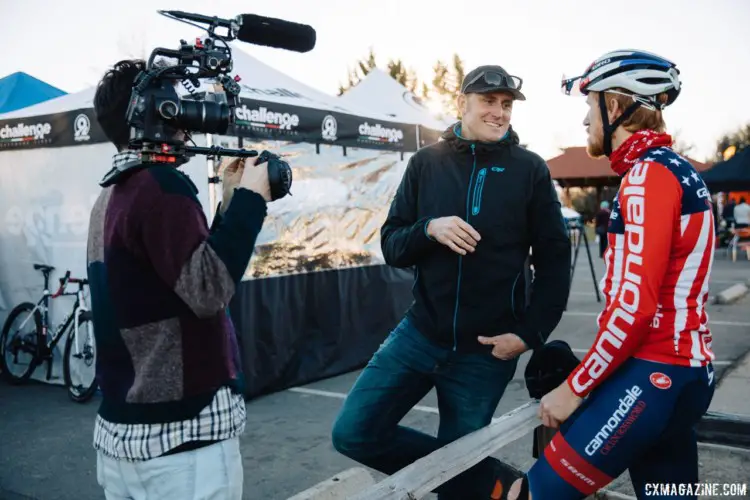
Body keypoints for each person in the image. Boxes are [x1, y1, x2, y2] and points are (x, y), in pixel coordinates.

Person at [331, 64, 572, 499]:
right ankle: (492, 478)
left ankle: (469, 476)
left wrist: (527, 333)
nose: (499, 112)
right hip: (420, 333)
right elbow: (392, 243)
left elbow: (555, 260)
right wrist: (429, 229)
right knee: (353, 433)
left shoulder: (529, 169)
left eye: (506, 105)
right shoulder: (427, 163)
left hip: (486, 350)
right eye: (489, 102)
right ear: (462, 103)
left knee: (455, 480)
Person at [509, 49, 717, 500]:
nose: (586, 120)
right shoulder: (681, 171)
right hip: (689, 374)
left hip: (653, 376)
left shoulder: (647, 177)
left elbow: (634, 308)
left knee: (532, 495)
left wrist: (575, 387)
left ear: (617, 106)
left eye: (591, 104)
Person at [87, 59, 279, 499]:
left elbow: (175, 280)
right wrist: (252, 201)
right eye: (180, 102)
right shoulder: (162, 186)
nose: (192, 112)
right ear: (158, 110)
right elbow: (209, 290)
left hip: (126, 432)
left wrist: (229, 205)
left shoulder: (115, 192)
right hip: (181, 442)